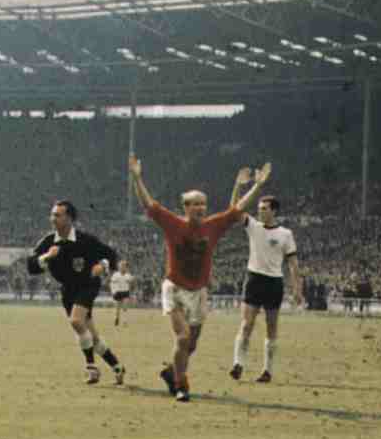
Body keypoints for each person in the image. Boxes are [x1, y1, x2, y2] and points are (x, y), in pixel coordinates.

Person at [129, 154, 270, 402]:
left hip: (199, 291)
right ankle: (181, 385)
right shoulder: (173, 223)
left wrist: (258, 186)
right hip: (174, 288)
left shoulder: (213, 225)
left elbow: (238, 209)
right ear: (186, 207)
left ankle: (171, 372)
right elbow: (148, 204)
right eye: (194, 204)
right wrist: (137, 177)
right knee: (182, 338)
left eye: (203, 204)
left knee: (190, 346)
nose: (200, 208)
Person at [26, 200, 126, 385]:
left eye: (57, 215)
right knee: (91, 335)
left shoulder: (85, 240)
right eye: (52, 215)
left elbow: (111, 255)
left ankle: (91, 367)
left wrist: (101, 266)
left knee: (76, 321)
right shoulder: (48, 241)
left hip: (87, 285)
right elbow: (30, 266)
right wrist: (47, 257)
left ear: (69, 218)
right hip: (68, 291)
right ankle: (117, 366)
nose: (52, 218)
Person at [226, 169, 304, 383]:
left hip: (273, 283)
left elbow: (293, 264)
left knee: (271, 327)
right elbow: (233, 210)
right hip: (254, 279)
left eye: (264, 209)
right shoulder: (253, 226)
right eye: (259, 208)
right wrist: (238, 185)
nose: (260, 212)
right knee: (246, 324)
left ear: (274, 211)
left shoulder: (285, 234)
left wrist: (297, 289)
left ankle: (267, 370)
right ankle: (238, 364)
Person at [109, 259, 135, 327]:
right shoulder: (115, 275)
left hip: (125, 292)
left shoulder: (128, 275)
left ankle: (125, 321)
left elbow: (131, 283)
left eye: (124, 266)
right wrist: (112, 291)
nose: (122, 267)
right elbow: (111, 284)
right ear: (119, 267)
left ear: (126, 267)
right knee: (117, 309)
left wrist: (132, 281)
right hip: (117, 293)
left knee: (125, 307)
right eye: (121, 266)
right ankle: (116, 318)